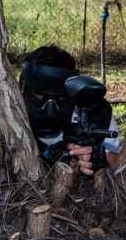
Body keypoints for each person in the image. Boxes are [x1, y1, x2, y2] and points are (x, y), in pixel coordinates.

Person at [20, 45, 119, 175]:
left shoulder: (94, 113)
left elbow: (116, 161)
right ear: (23, 90)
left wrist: (97, 160)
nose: (50, 110)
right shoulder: (9, 111)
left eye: (60, 98)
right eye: (39, 97)